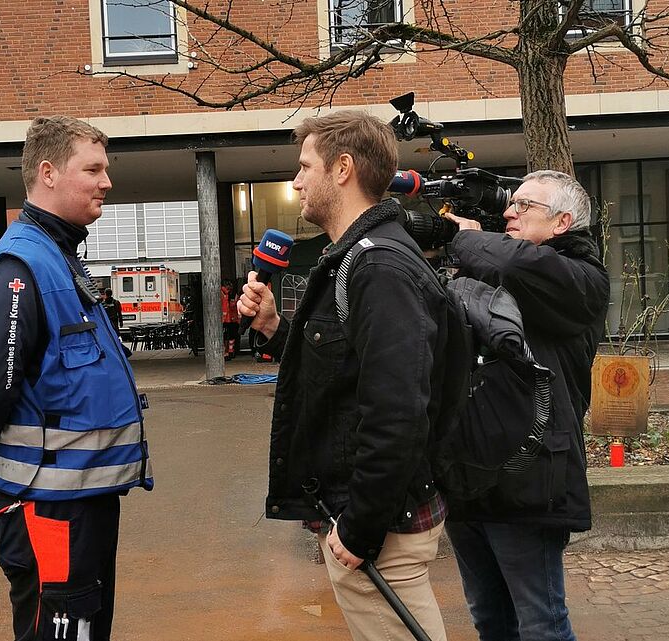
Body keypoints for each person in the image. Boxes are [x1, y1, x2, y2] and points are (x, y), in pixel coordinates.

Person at [238, 110, 452, 641]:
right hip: (371, 517)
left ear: (343, 168)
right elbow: (345, 372)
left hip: (381, 529)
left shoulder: (379, 268)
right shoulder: (357, 259)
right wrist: (273, 327)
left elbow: (398, 412)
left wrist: (358, 529)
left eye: (305, 166)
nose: (295, 181)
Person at [0, 115, 153, 641]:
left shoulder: (59, 259)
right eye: (94, 169)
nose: (107, 181)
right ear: (50, 172)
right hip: (47, 507)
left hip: (81, 500)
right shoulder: (21, 268)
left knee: (84, 628)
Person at [442, 170, 609, 641]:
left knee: (541, 622)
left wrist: (469, 242)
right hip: (470, 474)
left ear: (562, 222)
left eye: (524, 206)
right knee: (489, 618)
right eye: (509, 204)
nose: (508, 213)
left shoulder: (581, 278)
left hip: (531, 474)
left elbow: (517, 267)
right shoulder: (491, 265)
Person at [220, 278, 240, 359]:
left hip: (229, 319)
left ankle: (228, 352)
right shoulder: (224, 294)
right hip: (227, 319)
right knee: (227, 336)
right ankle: (227, 352)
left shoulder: (226, 294)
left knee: (228, 336)